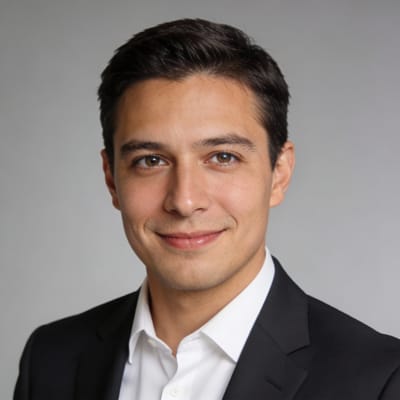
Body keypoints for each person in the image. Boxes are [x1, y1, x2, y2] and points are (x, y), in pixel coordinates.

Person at [14, 18, 400, 400]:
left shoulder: (380, 381)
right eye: (151, 161)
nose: (184, 201)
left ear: (279, 174)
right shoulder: (50, 359)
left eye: (222, 157)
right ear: (111, 178)